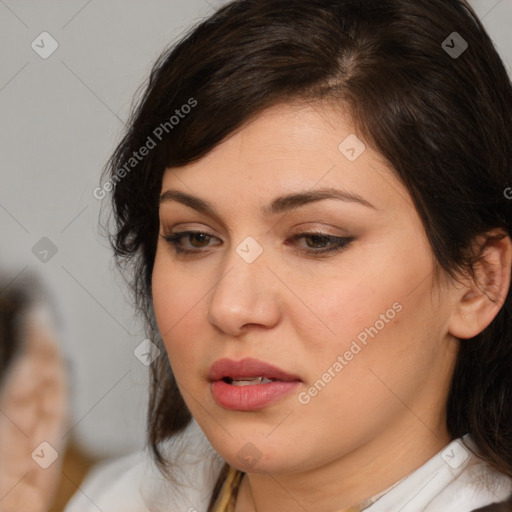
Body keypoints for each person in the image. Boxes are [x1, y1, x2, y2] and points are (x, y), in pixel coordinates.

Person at [65, 0, 512, 510]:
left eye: (317, 239)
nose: (230, 307)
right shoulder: (121, 497)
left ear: (479, 282)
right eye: (193, 237)